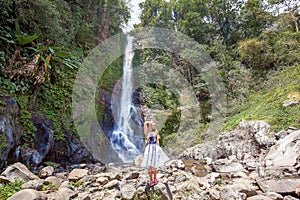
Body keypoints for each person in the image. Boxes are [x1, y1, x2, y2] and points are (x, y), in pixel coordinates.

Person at [141, 120, 169, 186]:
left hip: (155, 147)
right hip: (149, 148)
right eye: (153, 125)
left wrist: (159, 149)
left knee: (155, 164)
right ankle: (151, 180)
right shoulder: (147, 132)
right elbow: (145, 123)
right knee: (150, 165)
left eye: (155, 125)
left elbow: (157, 141)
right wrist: (150, 122)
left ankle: (155, 178)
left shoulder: (156, 132)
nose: (154, 126)